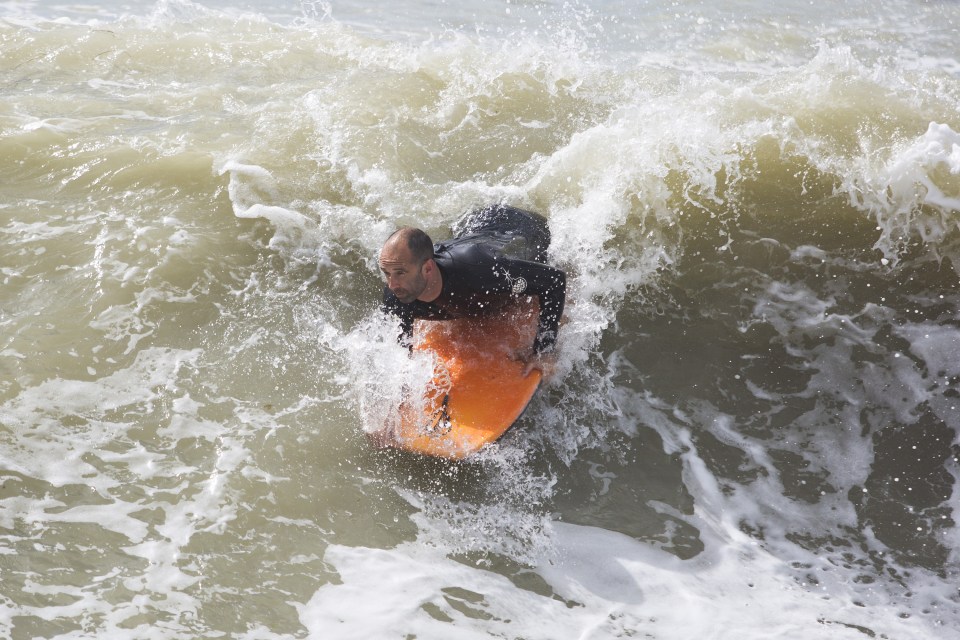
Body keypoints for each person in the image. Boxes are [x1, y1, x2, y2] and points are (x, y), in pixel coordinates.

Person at [379, 204, 566, 374]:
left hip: (520, 227)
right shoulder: (397, 297)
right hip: (473, 228)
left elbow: (554, 281)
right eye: (386, 273)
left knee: (544, 285)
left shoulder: (479, 271)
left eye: (400, 273)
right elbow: (403, 354)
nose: (392, 285)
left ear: (428, 268)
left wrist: (544, 351)